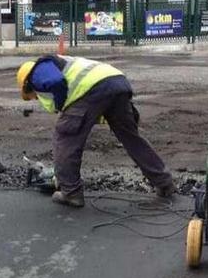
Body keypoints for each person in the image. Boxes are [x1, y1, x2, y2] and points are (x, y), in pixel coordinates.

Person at [16, 56, 176, 208]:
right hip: (117, 81)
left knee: (65, 137)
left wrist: (61, 104)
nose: (36, 99)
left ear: (26, 84)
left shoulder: (37, 71)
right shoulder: (63, 63)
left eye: (32, 96)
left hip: (93, 89)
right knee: (132, 138)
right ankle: (164, 183)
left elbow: (56, 82)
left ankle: (71, 193)